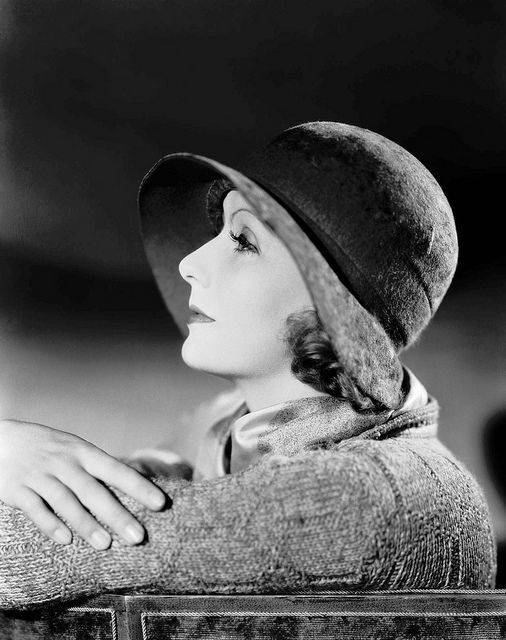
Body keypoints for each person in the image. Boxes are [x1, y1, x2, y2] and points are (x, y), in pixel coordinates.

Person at [0, 122, 496, 611]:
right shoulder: (225, 441)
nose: (189, 263)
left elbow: (27, 554)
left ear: (331, 310)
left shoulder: (380, 492)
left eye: (243, 241)